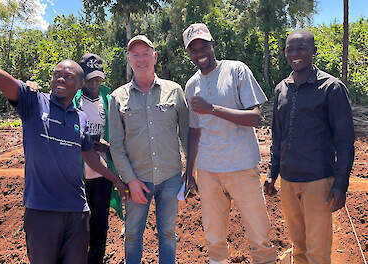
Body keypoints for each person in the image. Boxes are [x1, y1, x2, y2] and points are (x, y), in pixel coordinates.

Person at [0, 6, 128, 264]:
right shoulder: (32, 102)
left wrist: (115, 179)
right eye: (56, 74)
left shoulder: (80, 118)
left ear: (80, 84)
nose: (60, 78)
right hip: (42, 213)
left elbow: (90, 157)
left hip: (77, 211)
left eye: (68, 75)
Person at [182, 23, 276, 264]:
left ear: (213, 45)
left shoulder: (236, 70)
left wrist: (212, 109)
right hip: (208, 171)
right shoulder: (191, 85)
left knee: (259, 236)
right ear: (188, 54)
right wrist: (189, 170)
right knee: (214, 238)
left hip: (241, 167)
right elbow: (194, 131)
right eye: (194, 49)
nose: (200, 52)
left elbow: (255, 118)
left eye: (204, 46)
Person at [264, 29, 355, 264]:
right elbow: (277, 136)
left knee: (318, 252)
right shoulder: (281, 89)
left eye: (301, 48)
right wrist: (272, 174)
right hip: (289, 182)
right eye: (290, 49)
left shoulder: (331, 88)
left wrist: (340, 185)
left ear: (313, 51)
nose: (295, 54)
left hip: (318, 183)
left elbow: (344, 141)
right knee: (300, 247)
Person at [27, 53, 124, 264]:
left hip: (101, 173)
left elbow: (116, 132)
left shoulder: (108, 98)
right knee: (79, 228)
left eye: (98, 79)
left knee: (100, 226)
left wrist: (107, 148)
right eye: (90, 79)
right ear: (82, 80)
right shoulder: (71, 98)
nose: (95, 83)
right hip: (75, 176)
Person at [108, 35, 189, 264]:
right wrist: (131, 181)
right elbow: (116, 145)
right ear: (129, 59)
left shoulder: (174, 91)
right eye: (136, 55)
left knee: (167, 234)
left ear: (155, 57)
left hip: (170, 178)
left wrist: (190, 168)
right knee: (133, 236)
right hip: (138, 180)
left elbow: (185, 134)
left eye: (146, 54)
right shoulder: (117, 97)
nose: (141, 59)